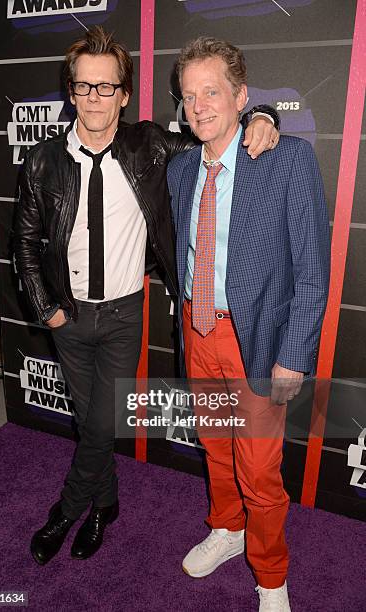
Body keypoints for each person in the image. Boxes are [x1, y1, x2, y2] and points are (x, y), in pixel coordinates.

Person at [13, 26, 279, 567]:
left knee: (102, 420)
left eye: (105, 87)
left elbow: (219, 129)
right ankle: (104, 504)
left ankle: (67, 509)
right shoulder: (42, 160)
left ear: (124, 94)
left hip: (122, 315)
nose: (93, 97)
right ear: (71, 92)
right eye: (83, 86)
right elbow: (22, 243)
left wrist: (264, 115)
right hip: (68, 314)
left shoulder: (151, 146)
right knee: (91, 421)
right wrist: (48, 310)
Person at [167, 36, 330, 611]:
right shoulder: (182, 169)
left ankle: (271, 578)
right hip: (198, 330)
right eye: (189, 96)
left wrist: (294, 355)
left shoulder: (286, 158)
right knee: (216, 448)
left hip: (255, 340)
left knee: (260, 471)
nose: (200, 106)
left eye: (212, 92)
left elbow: (312, 270)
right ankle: (226, 530)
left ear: (240, 96)